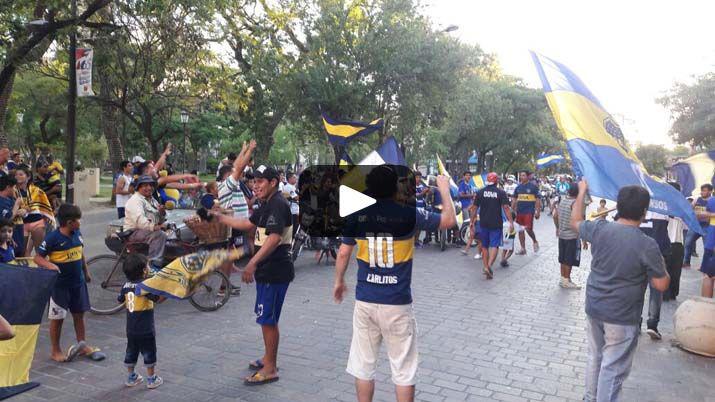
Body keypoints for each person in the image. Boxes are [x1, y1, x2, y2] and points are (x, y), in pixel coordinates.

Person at [333, 169, 456, 402]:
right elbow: (449, 221)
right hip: (397, 304)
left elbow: (343, 253)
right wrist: (444, 190)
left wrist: (339, 281)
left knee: (363, 365)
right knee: (403, 370)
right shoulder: (409, 214)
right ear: (395, 189)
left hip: (365, 301)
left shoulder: (356, 216)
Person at [571, 180, 669, 402]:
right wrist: (662, 264)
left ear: (619, 207)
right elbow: (661, 284)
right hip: (622, 317)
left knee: (595, 357)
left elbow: (575, 221)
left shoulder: (599, 228)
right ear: (644, 212)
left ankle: (590, 398)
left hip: (594, 308)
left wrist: (581, 193)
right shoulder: (647, 244)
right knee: (612, 368)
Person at [214, 165, 294, 386]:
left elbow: (274, 238)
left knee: (268, 320)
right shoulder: (266, 203)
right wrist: (221, 218)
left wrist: (252, 263)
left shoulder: (277, 204)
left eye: (260, 182)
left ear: (273, 182)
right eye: (253, 181)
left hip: (275, 270)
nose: (255, 185)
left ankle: (270, 369)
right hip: (268, 271)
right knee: (267, 318)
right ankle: (268, 359)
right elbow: (247, 223)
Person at [34, 204, 106, 363]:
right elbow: (37, 258)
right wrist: (50, 265)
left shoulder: (77, 234)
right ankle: (55, 350)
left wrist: (86, 271)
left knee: (79, 315)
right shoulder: (52, 238)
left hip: (78, 284)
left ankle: (82, 345)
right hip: (59, 286)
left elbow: (81, 253)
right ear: (69, 222)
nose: (80, 222)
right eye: (78, 220)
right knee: (57, 319)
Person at [118, 253, 164, 389]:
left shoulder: (126, 286)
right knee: (149, 352)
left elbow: (120, 299)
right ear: (144, 271)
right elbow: (158, 299)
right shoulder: (145, 286)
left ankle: (131, 377)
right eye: (148, 266)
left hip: (131, 329)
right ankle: (151, 379)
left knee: (131, 351)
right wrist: (166, 293)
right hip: (146, 328)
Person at [474, 172, 513, 279]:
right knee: (495, 245)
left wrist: (472, 221)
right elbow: (506, 208)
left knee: (485, 246)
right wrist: (511, 222)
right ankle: (489, 266)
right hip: (496, 223)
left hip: (483, 223)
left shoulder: (480, 192)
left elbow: (474, 207)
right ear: (496, 181)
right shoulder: (501, 192)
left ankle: (486, 266)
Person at [639, 211, 671, 340]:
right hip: (658, 253)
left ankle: (636, 322)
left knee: (638, 289)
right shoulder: (665, 207)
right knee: (656, 290)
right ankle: (652, 324)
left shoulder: (640, 205)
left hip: (639, 252)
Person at [123, 175, 167, 269]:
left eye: (151, 185)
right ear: (139, 187)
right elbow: (140, 221)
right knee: (159, 235)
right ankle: (153, 267)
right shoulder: (135, 200)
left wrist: (161, 213)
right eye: (145, 185)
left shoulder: (152, 200)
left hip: (145, 231)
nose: (149, 188)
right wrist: (155, 227)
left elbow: (159, 220)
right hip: (134, 232)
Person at [15, 165, 53, 256]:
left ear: (28, 177)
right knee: (21, 252)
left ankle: (40, 270)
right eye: (16, 175)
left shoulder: (37, 191)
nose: (17, 176)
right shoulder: (13, 190)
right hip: (20, 224)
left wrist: (46, 216)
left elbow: (44, 206)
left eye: (21, 174)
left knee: (39, 251)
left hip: (37, 222)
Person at [553, 183, 582, 289]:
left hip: (562, 234)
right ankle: (566, 281)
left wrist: (557, 228)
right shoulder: (575, 203)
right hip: (572, 236)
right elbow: (578, 221)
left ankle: (563, 279)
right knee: (569, 259)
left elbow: (555, 216)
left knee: (563, 258)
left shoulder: (562, 200)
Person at [683, 183, 712, 268]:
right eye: (702, 190)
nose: (702, 192)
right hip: (696, 226)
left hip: (707, 227)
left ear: (710, 191)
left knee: (707, 247)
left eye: (704, 190)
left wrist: (704, 214)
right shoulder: (697, 200)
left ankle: (705, 266)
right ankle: (686, 262)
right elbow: (690, 209)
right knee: (687, 243)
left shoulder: (712, 201)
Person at [512, 170, 541, 254]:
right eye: (521, 175)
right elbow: (514, 199)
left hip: (529, 211)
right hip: (519, 212)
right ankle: (523, 249)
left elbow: (538, 200)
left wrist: (537, 211)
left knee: (528, 229)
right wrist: (512, 210)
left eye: (523, 175)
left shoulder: (533, 187)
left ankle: (534, 241)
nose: (522, 177)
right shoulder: (518, 187)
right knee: (520, 230)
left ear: (528, 176)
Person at [698, 193, 715, 297]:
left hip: (711, 243)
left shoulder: (712, 200)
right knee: (708, 276)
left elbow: (700, 215)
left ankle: (705, 306)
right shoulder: (712, 201)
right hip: (711, 244)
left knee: (708, 276)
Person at [282, 173, 299, 237]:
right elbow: (296, 197)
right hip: (292, 211)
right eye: (294, 177)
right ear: (289, 179)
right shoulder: (289, 187)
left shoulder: (292, 187)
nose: (296, 179)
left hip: (294, 210)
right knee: (293, 230)